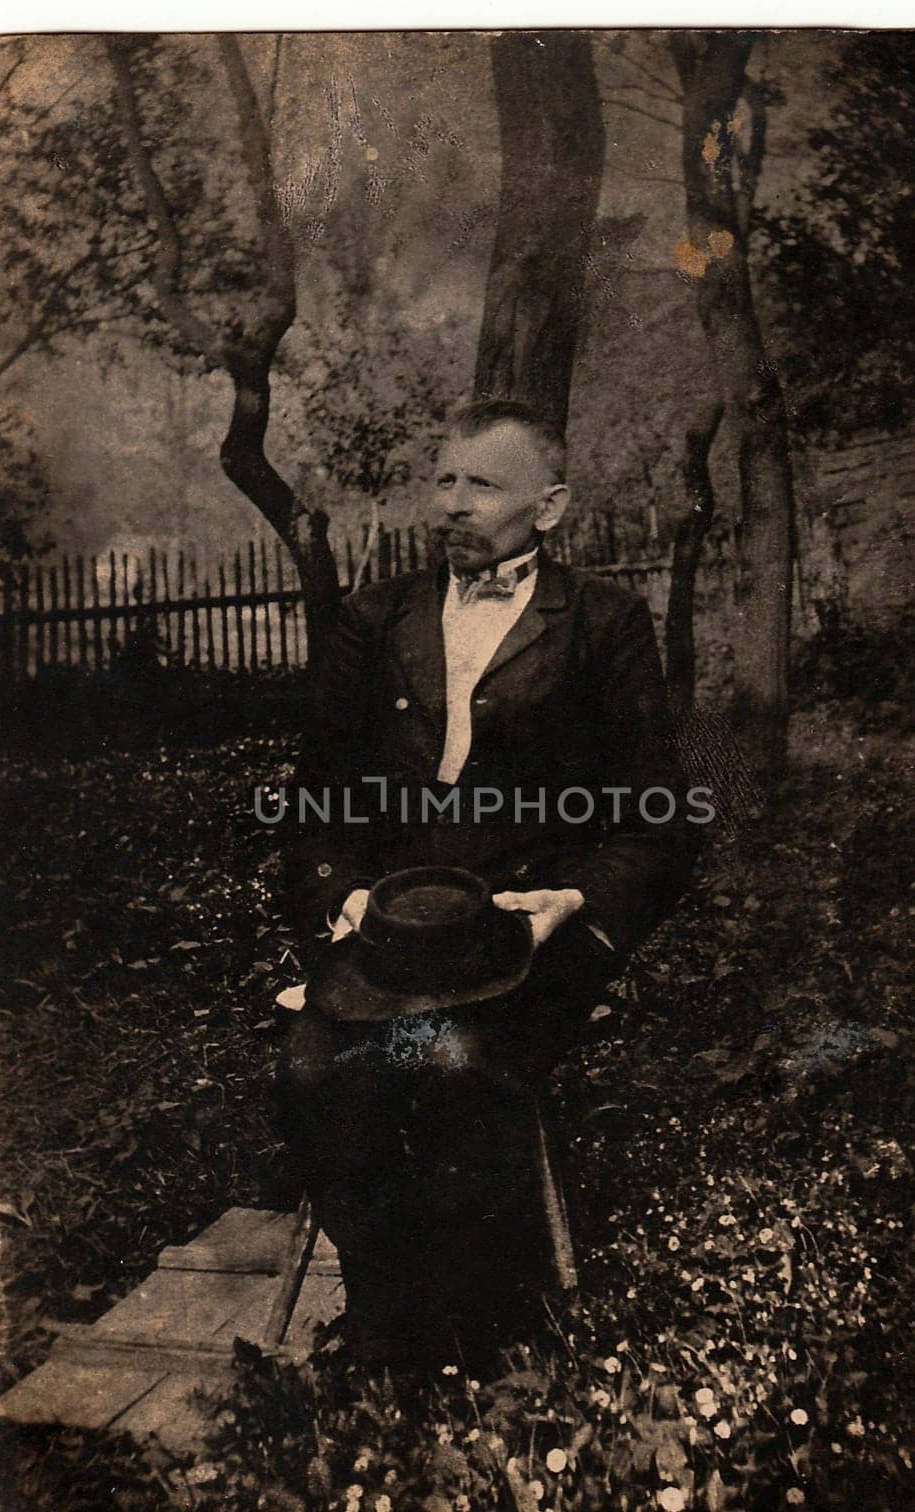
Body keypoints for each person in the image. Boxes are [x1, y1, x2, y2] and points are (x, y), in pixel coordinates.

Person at [274, 399, 701, 1358]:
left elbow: (656, 819)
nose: (452, 504)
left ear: (547, 508)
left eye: (482, 484)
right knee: (307, 1075)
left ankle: (475, 1329)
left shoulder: (603, 622)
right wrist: (344, 896)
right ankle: (392, 1307)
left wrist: (577, 906)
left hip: (521, 931)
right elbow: (314, 802)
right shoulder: (374, 617)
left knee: (456, 1064)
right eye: (444, 480)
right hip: (388, 934)